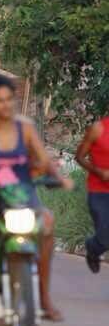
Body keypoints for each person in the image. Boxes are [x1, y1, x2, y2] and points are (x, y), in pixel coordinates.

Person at [0, 75, 71, 321]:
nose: (5, 105)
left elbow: (43, 159)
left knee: (48, 222)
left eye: (9, 99)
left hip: (22, 197)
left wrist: (58, 177)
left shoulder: (26, 129)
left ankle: (43, 298)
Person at [75, 116, 109, 273]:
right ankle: (92, 248)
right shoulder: (98, 128)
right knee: (104, 238)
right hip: (100, 192)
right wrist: (98, 172)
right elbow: (79, 157)